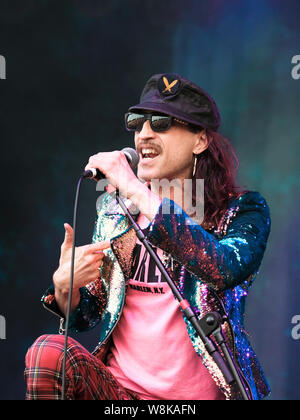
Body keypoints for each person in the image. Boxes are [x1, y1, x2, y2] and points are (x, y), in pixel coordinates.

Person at [24, 73, 271, 400]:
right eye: (137, 123)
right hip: (120, 395)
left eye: (162, 123)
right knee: (48, 352)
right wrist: (65, 288)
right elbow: (91, 313)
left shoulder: (241, 212)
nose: (144, 134)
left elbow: (223, 267)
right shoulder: (116, 212)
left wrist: (135, 189)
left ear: (200, 140)